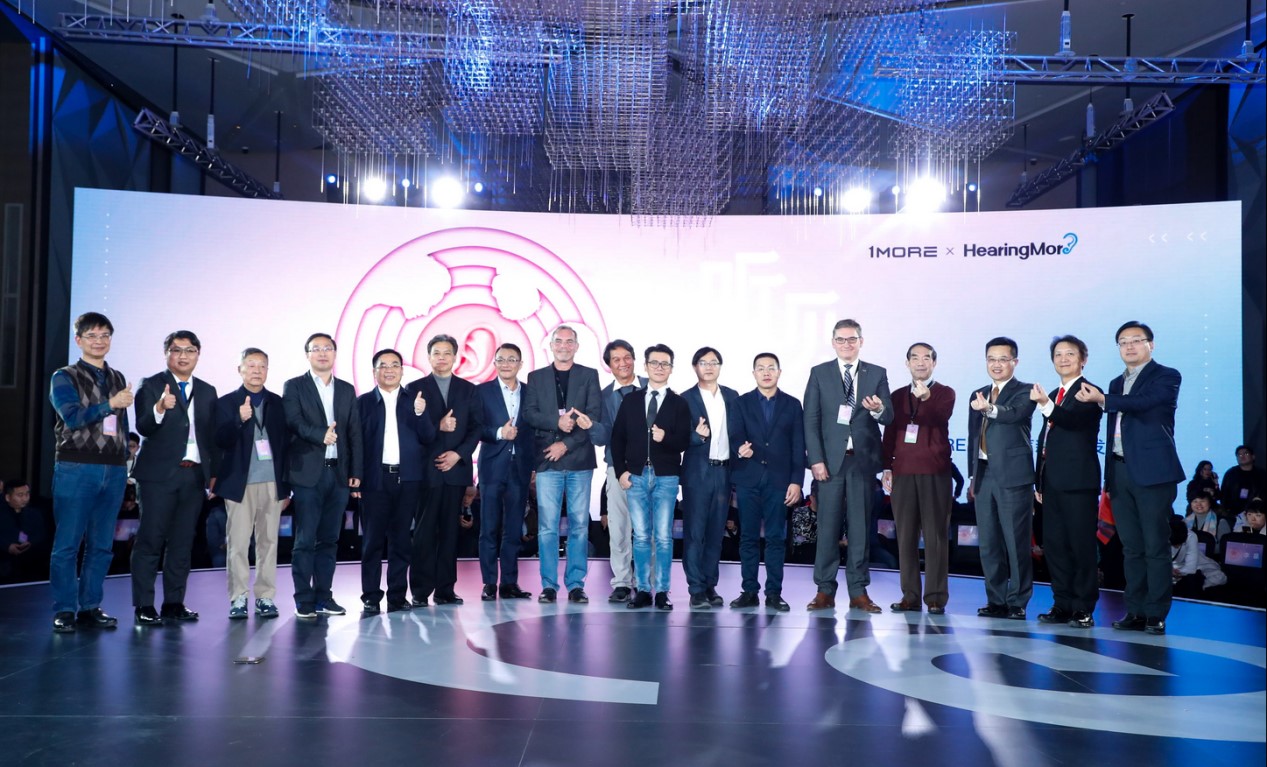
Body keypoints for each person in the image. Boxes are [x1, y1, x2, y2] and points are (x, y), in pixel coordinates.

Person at [1075, 320, 1184, 635]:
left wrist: (1103, 400)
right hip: (1120, 472)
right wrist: (1108, 477)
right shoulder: (1114, 382)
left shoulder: (1166, 376)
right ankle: (1135, 610)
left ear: (1151, 344)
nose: (1129, 346)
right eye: (1123, 342)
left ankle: (1156, 613)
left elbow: (1144, 403)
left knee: (1155, 546)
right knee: (1131, 548)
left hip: (1153, 473)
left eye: (1136, 340)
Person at [48, 313, 134, 632]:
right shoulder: (64, 376)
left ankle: (90, 606)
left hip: (113, 469)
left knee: (101, 545)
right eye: (92, 335)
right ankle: (65, 609)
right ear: (78, 340)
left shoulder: (117, 376)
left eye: (105, 335)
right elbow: (71, 417)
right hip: (76, 466)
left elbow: (121, 427)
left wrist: (124, 462)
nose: (99, 341)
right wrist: (111, 403)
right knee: (67, 544)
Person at [803, 319, 893, 613]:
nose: (846, 344)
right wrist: (816, 459)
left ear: (861, 342)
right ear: (833, 342)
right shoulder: (819, 373)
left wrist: (878, 409)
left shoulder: (877, 373)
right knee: (827, 528)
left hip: (861, 462)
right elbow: (811, 420)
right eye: (841, 339)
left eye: (852, 339)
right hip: (829, 464)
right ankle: (824, 590)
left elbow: (888, 416)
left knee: (860, 530)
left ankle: (858, 591)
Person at [131, 330, 220, 626]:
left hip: (193, 476)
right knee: (150, 540)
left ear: (198, 354)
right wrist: (159, 408)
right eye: (177, 350)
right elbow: (143, 426)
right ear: (166, 353)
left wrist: (213, 473)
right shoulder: (151, 384)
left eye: (190, 350)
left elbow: (211, 438)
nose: (183, 356)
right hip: (158, 477)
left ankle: (173, 603)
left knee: (182, 543)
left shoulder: (207, 390)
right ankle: (144, 604)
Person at [283, 332, 363, 620]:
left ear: (334, 354)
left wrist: (356, 471)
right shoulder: (294, 386)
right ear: (307, 355)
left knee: (330, 539)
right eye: (316, 348)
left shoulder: (346, 389)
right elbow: (293, 421)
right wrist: (321, 435)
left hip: (338, 475)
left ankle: (324, 596)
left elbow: (354, 431)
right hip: (307, 475)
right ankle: (303, 599)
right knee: (305, 540)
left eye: (327, 348)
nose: (322, 353)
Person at [522, 325, 602, 604]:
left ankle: (576, 584)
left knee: (579, 526)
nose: (564, 346)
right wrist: (556, 422)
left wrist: (566, 444)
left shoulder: (589, 375)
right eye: (559, 341)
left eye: (570, 342)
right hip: (547, 461)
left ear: (576, 346)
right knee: (547, 527)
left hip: (579, 460)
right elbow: (530, 414)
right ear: (551, 345)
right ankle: (549, 585)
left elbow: (593, 416)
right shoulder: (536, 377)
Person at [611, 344, 691, 610]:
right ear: (645, 366)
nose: (659, 368)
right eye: (654, 363)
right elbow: (617, 439)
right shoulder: (631, 400)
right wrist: (621, 471)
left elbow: (684, 441)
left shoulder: (679, 403)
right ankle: (643, 590)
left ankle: (662, 591)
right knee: (642, 536)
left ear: (671, 369)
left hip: (666, 476)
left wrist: (665, 438)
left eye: (665, 363)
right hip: (635, 476)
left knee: (664, 537)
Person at [1031, 335, 1103, 628]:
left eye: (1070, 354)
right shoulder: (1054, 394)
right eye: (1058, 354)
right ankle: (1062, 604)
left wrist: (1046, 405)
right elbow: (1045, 441)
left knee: (1081, 547)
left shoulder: (1089, 391)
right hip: (1051, 484)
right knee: (1055, 547)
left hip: (1078, 483)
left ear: (1083, 359)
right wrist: (1039, 482)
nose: (1063, 359)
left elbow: (1072, 422)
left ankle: (1083, 607)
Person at [213, 348, 290, 619]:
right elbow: (220, 440)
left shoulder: (278, 403)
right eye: (251, 365)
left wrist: (286, 486)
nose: (257, 370)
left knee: (269, 542)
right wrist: (239, 418)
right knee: (238, 543)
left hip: (272, 483)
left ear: (267, 370)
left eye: (262, 366)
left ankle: (265, 596)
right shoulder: (226, 403)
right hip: (239, 484)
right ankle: (238, 597)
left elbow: (286, 445)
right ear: (240, 370)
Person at [356, 348, 434, 614]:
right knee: (372, 541)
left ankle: (397, 595)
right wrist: (355, 478)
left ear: (402, 370)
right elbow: (355, 443)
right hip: (374, 480)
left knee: (401, 540)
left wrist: (421, 414)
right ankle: (370, 595)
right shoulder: (363, 403)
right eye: (383, 365)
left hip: (407, 479)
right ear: (374, 371)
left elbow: (428, 437)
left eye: (394, 365)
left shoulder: (416, 400)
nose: (389, 370)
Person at [880, 342, 955, 615]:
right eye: (915, 358)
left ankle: (935, 597)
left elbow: (939, 417)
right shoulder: (897, 395)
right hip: (903, 472)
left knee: (935, 536)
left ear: (934, 363)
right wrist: (886, 467)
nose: (920, 362)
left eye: (926, 358)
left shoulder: (945, 393)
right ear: (907, 363)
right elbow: (890, 433)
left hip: (935, 472)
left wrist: (926, 398)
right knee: (905, 537)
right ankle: (909, 596)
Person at [407, 334, 482, 606]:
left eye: (447, 353)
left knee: (451, 533)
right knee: (424, 532)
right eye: (436, 353)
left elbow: (476, 428)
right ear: (428, 357)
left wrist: (458, 454)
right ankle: (420, 591)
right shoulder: (414, 388)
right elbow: (410, 431)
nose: (441, 357)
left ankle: (445, 590)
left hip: (456, 470)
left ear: (455, 357)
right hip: (426, 472)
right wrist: (437, 427)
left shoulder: (469, 389)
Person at [727, 353, 805, 611]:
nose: (766, 372)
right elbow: (734, 434)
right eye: (761, 368)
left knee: (775, 538)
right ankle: (749, 591)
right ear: (754, 374)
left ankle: (773, 593)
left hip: (779, 481)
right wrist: (740, 448)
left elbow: (798, 445)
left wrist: (796, 481)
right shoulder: (741, 403)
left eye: (771, 368)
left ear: (779, 372)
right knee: (748, 537)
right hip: (748, 479)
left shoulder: (792, 404)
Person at [967, 336, 1037, 621]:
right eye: (991, 359)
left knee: (1016, 542)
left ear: (1014, 362)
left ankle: (1018, 601)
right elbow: (973, 437)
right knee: (989, 543)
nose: (997, 364)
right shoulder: (979, 393)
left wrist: (989, 409)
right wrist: (972, 475)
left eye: (1003, 359)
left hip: (1013, 476)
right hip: (984, 475)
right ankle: (995, 600)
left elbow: (1014, 415)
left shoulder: (1026, 391)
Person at [680, 346, 739, 609]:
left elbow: (738, 431)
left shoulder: (732, 396)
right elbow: (676, 438)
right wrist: (696, 436)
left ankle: (710, 585)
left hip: (724, 472)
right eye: (703, 363)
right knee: (695, 533)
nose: (709, 367)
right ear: (695, 367)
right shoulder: (685, 399)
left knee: (716, 532)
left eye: (714, 362)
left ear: (720, 366)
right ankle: (695, 589)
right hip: (697, 473)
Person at [474, 344, 535, 600]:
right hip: (492, 467)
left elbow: (535, 431)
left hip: (520, 468)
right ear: (494, 363)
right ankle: (489, 583)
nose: (506, 363)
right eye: (501, 359)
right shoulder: (481, 392)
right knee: (488, 527)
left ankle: (509, 583)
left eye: (512, 359)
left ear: (520, 364)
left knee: (513, 528)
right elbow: (475, 427)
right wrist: (500, 432)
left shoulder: (531, 392)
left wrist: (534, 464)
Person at [589, 339, 646, 602]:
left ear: (634, 359)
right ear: (609, 365)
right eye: (616, 359)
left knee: (648, 530)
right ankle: (622, 581)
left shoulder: (652, 386)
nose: (622, 363)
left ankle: (647, 581)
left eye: (627, 357)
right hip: (617, 468)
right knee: (619, 528)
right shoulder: (603, 396)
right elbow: (602, 438)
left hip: (650, 468)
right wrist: (590, 426)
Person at [2, 480, 49, 583]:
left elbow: (41, 535)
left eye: (27, 494)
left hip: (30, 564)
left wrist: (30, 543)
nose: (25, 498)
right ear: (8, 497)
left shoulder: (35, 514)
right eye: (20, 495)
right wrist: (8, 547)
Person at [1169, 516, 1227, 598]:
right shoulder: (1159, 537)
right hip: (1172, 570)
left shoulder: (1191, 536)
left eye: (1179, 544)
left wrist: (1176, 572)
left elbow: (1191, 568)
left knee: (1219, 577)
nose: (1177, 547)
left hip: (1195, 567)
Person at [1221, 446, 1265, 518]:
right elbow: (1224, 493)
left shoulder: (1262, 474)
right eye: (1239, 455)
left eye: (1246, 454)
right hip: (1234, 514)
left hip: (1257, 512)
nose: (1242, 456)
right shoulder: (1231, 473)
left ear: (1253, 456)